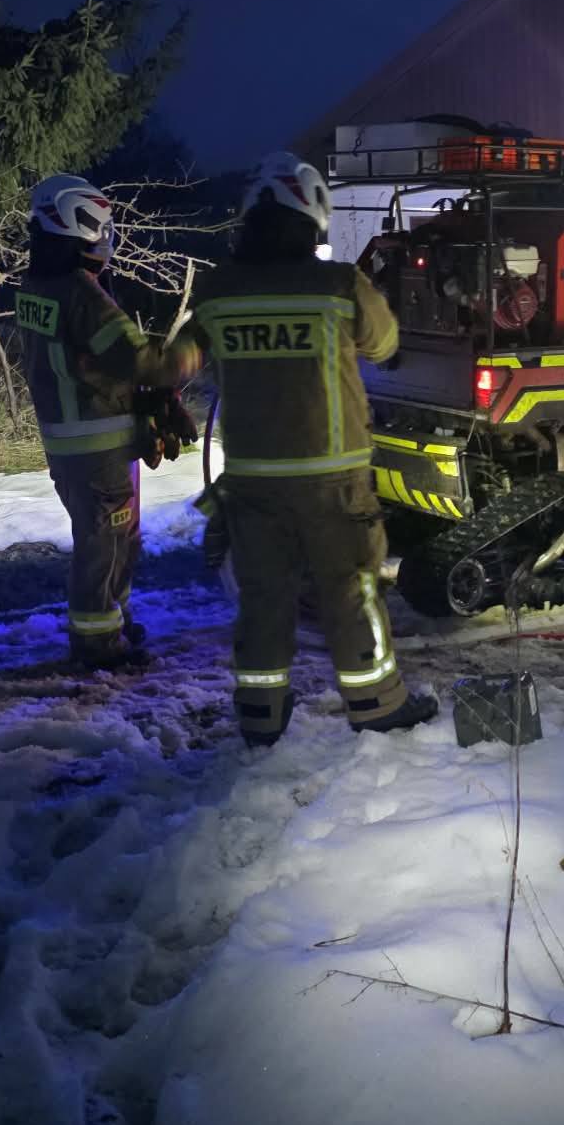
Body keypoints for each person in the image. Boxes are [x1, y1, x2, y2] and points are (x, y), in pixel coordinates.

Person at [192, 151, 437, 747]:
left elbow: (190, 360)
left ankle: (260, 717)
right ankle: (378, 706)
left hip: (252, 484)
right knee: (352, 591)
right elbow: (385, 344)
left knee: (263, 598)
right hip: (334, 483)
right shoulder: (338, 284)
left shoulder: (218, 290)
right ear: (313, 216)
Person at [16, 173, 198, 667]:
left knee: (114, 542)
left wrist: (147, 402)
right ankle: (98, 644)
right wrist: (195, 348)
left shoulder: (37, 285)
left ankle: (112, 623)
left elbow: (90, 365)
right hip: (100, 453)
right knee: (106, 546)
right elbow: (141, 360)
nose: (107, 237)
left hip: (75, 447)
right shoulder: (80, 292)